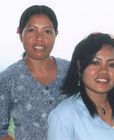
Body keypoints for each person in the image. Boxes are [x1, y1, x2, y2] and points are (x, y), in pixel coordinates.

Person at [47, 32, 114, 140]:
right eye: (95, 63)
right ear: (79, 66)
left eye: (112, 64)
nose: (104, 71)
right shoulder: (63, 117)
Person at [0, 5, 69, 140]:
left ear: (56, 34)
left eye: (47, 31)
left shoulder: (71, 71)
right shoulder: (8, 79)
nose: (39, 38)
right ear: (20, 33)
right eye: (32, 30)